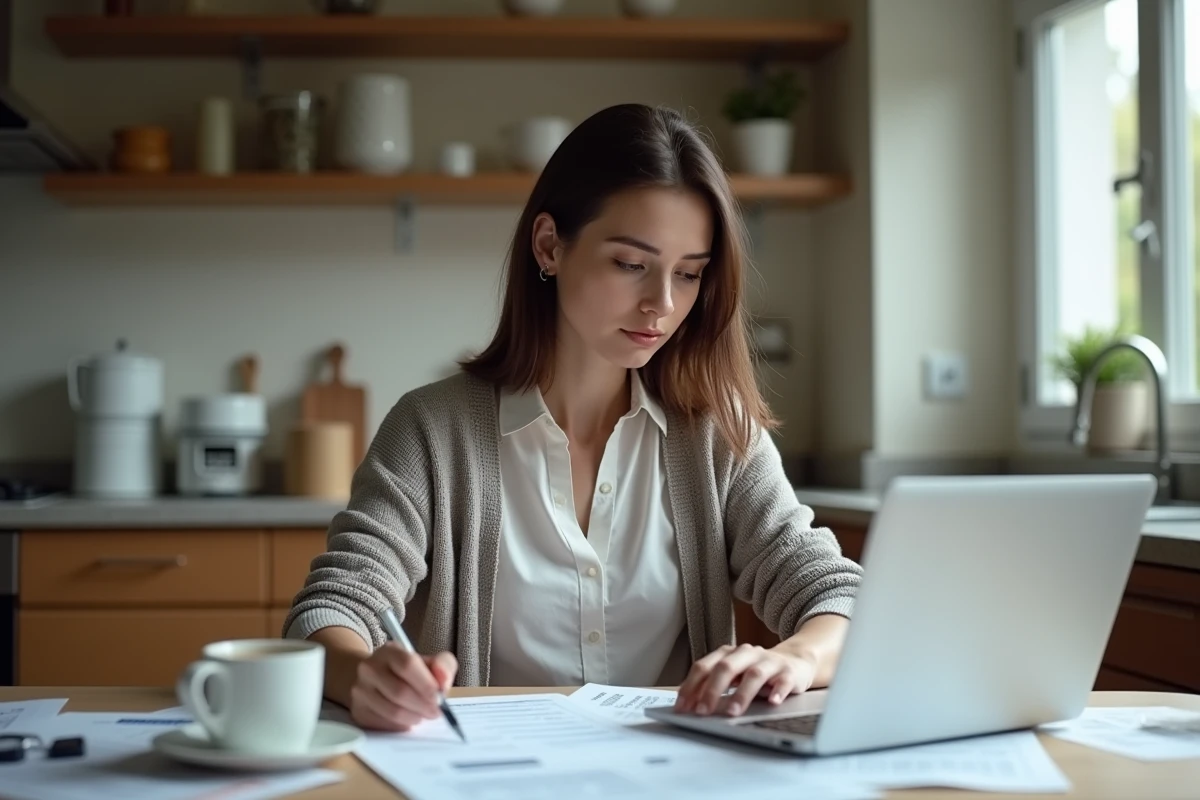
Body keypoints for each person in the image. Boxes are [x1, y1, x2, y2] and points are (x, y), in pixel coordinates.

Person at [282, 103, 864, 733]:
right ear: (550, 246)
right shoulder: (431, 430)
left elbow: (839, 594)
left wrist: (798, 658)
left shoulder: (716, 437)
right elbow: (332, 607)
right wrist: (362, 673)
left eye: (690, 274)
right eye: (630, 264)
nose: (662, 304)